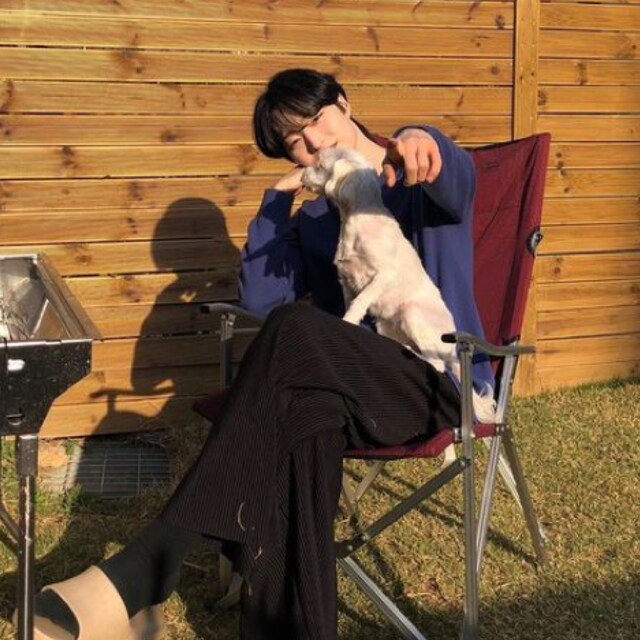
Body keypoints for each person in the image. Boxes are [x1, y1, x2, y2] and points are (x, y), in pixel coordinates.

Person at [27, 68, 494, 640]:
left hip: (437, 381)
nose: (313, 142)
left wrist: (424, 138)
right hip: (343, 388)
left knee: (296, 330)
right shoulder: (317, 220)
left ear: (345, 104)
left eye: (316, 119)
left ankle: (155, 559)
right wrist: (277, 203)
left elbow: (457, 182)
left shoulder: (416, 174)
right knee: (305, 413)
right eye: (294, 141)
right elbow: (261, 299)